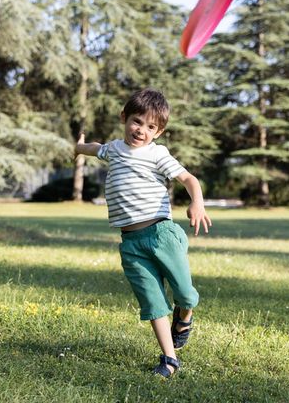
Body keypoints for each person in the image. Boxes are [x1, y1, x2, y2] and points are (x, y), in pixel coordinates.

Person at [75, 88, 212, 378]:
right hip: (131, 243)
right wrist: (79, 147)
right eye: (137, 121)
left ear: (158, 132)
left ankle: (184, 317)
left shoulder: (156, 153)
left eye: (151, 127)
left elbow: (188, 178)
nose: (142, 130)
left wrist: (196, 202)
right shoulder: (113, 149)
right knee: (153, 301)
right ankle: (170, 359)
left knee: (185, 294)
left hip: (161, 234)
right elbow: (95, 148)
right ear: (124, 118)